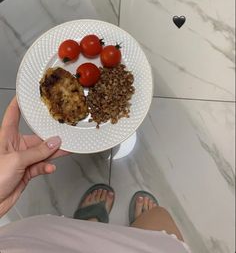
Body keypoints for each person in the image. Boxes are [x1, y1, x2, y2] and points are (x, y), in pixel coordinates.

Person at [0, 97, 191, 252]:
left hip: (33, 243)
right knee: (158, 218)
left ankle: (89, 223)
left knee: (69, 235)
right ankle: (97, 225)